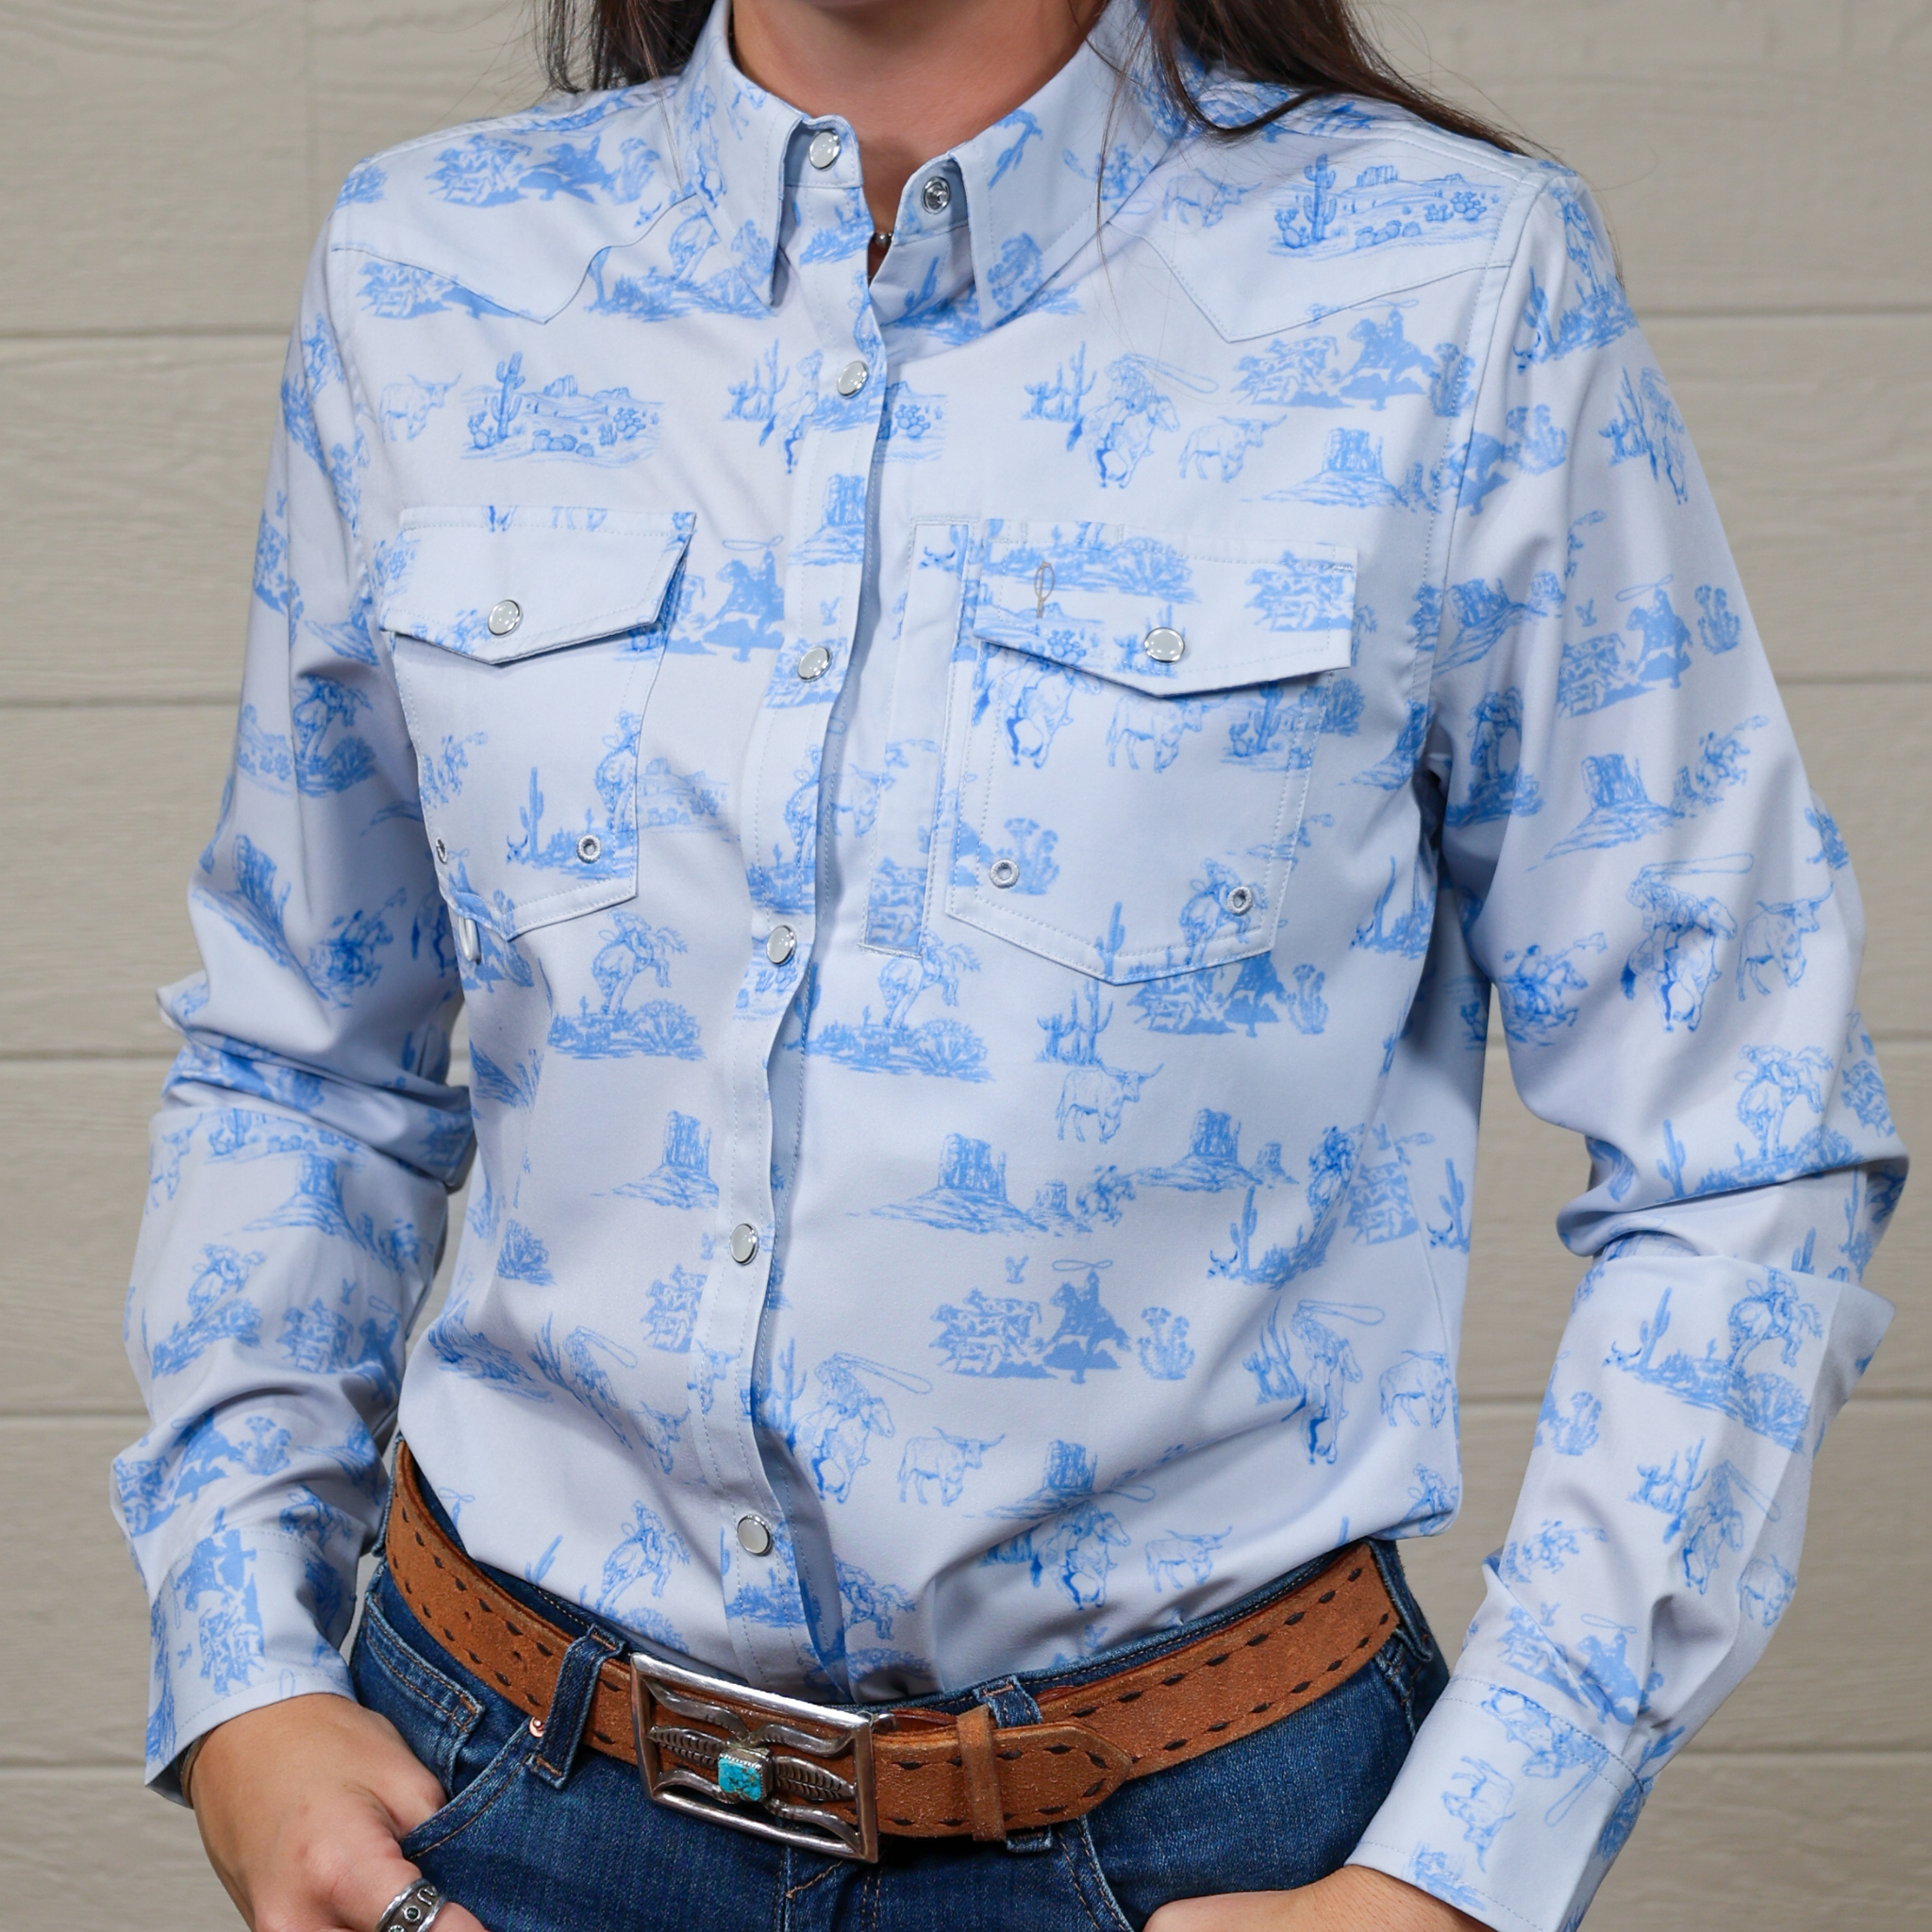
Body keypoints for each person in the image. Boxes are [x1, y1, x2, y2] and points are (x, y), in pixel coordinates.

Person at [112, 1, 1907, 1928]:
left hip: (1203, 1849)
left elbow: (1744, 1139)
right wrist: (246, 1671)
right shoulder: (425, 272)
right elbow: (307, 1050)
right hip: (496, 1817)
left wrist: (1457, 1871)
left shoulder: (1456, 289)